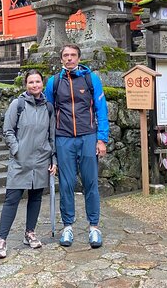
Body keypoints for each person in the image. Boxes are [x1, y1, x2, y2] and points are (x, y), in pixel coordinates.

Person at [45, 44, 109, 249]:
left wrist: (102, 139)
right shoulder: (53, 82)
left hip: (88, 136)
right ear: (61, 59)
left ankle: (94, 226)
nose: (69, 58)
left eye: (73, 55)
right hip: (64, 138)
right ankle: (68, 226)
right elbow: (48, 112)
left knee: (91, 182)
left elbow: (101, 109)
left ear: (79, 57)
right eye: (66, 55)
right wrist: (49, 145)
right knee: (66, 183)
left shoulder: (91, 79)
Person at [0, 69, 57, 259]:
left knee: (36, 198)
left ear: (42, 84)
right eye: (31, 82)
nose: (35, 85)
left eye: (38, 82)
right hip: (21, 160)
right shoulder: (18, 104)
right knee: (12, 199)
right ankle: (1, 239)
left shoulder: (48, 107)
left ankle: (30, 232)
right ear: (26, 85)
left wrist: (53, 159)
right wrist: (16, 149)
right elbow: (7, 130)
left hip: (41, 160)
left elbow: (51, 136)